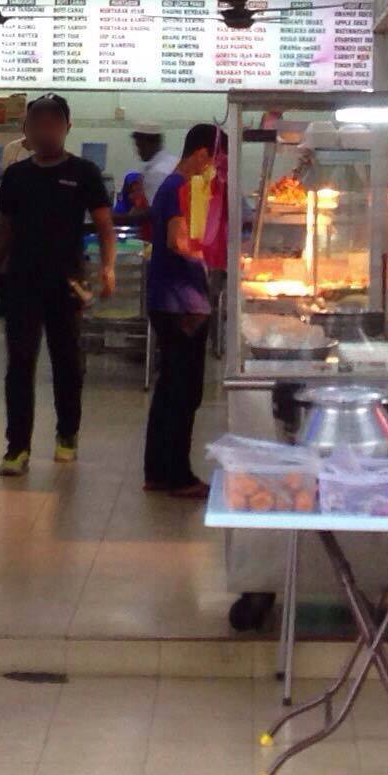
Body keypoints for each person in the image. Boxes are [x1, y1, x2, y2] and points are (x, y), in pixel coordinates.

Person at [0, 95, 115, 479]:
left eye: (53, 123)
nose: (45, 131)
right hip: (21, 283)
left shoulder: (85, 173)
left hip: (67, 283)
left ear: (67, 127)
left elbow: (104, 225)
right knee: (19, 365)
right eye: (37, 123)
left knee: (67, 362)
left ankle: (67, 434)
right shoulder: (17, 175)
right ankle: (17, 447)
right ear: (27, 130)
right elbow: (3, 233)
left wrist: (108, 268)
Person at [140, 123, 225, 500]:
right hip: (181, 304)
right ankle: (177, 475)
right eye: (217, 160)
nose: (217, 167)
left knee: (169, 389)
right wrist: (217, 256)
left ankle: (158, 471)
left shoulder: (178, 187)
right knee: (183, 391)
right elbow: (178, 241)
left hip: (172, 299)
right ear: (203, 154)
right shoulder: (179, 188)